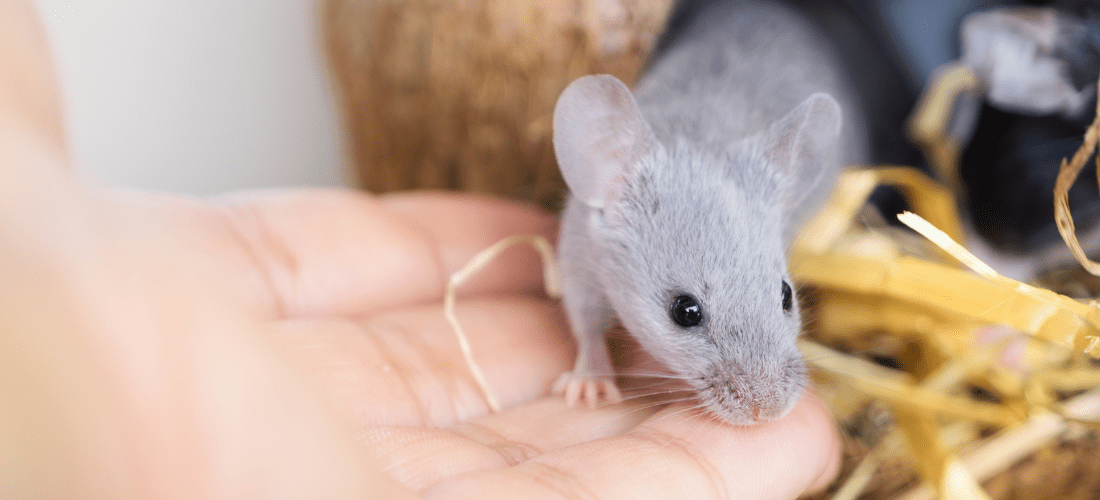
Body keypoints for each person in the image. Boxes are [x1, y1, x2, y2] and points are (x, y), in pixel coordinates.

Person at [0, 2, 839, 497]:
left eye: (782, 299)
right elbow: (583, 282)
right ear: (604, 183)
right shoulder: (619, 204)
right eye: (687, 314)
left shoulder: (757, 184)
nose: (764, 395)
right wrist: (591, 348)